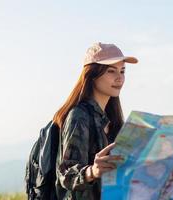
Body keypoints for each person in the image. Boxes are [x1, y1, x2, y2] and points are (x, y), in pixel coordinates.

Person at [53, 42, 138, 199]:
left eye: (123, 71)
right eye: (111, 71)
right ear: (92, 75)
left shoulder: (113, 119)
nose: (119, 78)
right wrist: (92, 171)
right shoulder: (79, 116)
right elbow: (65, 174)